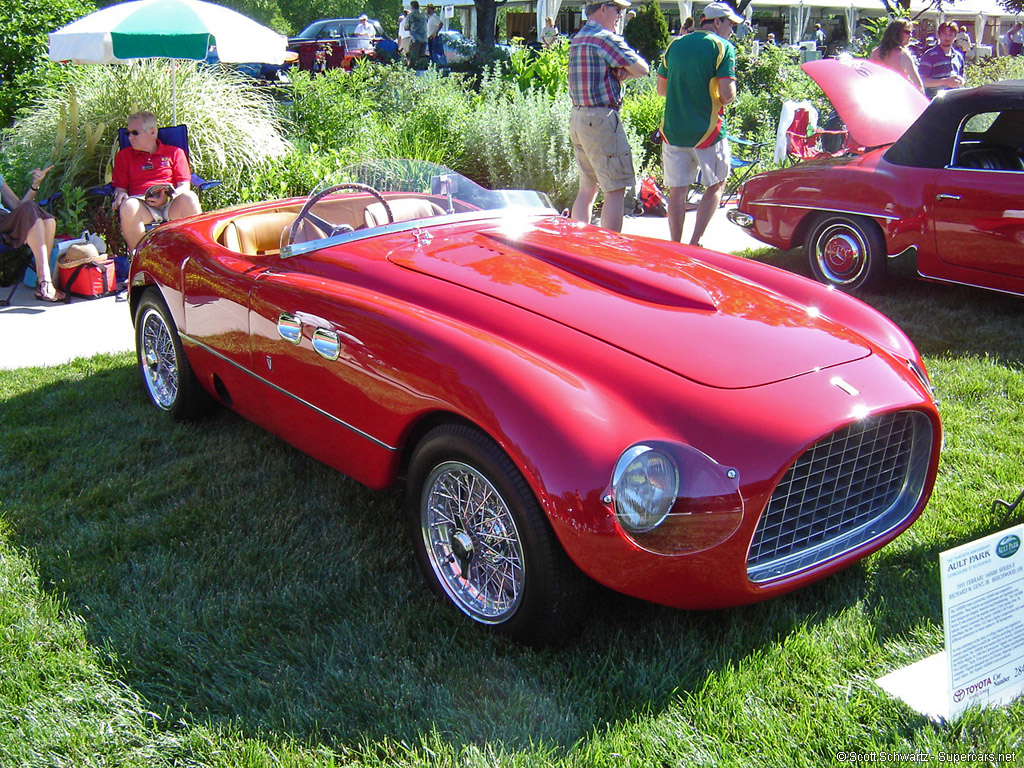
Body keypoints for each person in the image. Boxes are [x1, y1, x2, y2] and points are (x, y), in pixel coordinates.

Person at [657, 1, 742, 246]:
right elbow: (726, 94)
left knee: (677, 189)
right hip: (707, 131)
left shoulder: (675, 44)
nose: (731, 30)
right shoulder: (723, 47)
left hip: (673, 131)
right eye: (730, 24)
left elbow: (661, 89)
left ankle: (675, 244)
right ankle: (696, 241)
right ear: (717, 22)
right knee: (717, 184)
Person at [567, 0, 649, 232]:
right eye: (618, 10)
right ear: (603, 8)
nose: (620, 15)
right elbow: (642, 69)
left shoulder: (580, 37)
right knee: (615, 189)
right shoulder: (604, 38)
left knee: (587, 188)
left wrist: (617, 73)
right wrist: (622, 73)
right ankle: (610, 250)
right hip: (601, 118)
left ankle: (577, 246)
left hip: (579, 116)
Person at [111, 111, 201, 252]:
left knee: (190, 197)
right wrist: (120, 194)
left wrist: (168, 197)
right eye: (128, 133)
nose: (130, 138)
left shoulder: (175, 152)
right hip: (142, 205)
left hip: (171, 202)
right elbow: (120, 188)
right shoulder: (124, 156)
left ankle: (195, 252)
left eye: (135, 133)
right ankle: (142, 259)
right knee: (128, 206)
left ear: (152, 132)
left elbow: (184, 185)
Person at [0, 164, 63, 302]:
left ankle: (43, 282)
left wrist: (35, 185)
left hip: (6, 218)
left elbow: (18, 206)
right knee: (33, 213)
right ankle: (45, 281)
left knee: (48, 221)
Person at [870, 19, 924, 93]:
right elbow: (918, 85)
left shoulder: (875, 52)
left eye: (911, 32)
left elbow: (869, 78)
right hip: (898, 96)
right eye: (907, 32)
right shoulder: (903, 55)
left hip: (877, 95)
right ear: (896, 33)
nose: (910, 35)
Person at [919, 21, 966, 98]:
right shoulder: (929, 55)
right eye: (944, 34)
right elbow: (921, 81)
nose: (947, 38)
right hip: (935, 101)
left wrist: (961, 81)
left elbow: (962, 77)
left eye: (950, 35)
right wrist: (944, 82)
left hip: (953, 100)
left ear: (955, 37)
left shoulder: (958, 56)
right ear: (939, 35)